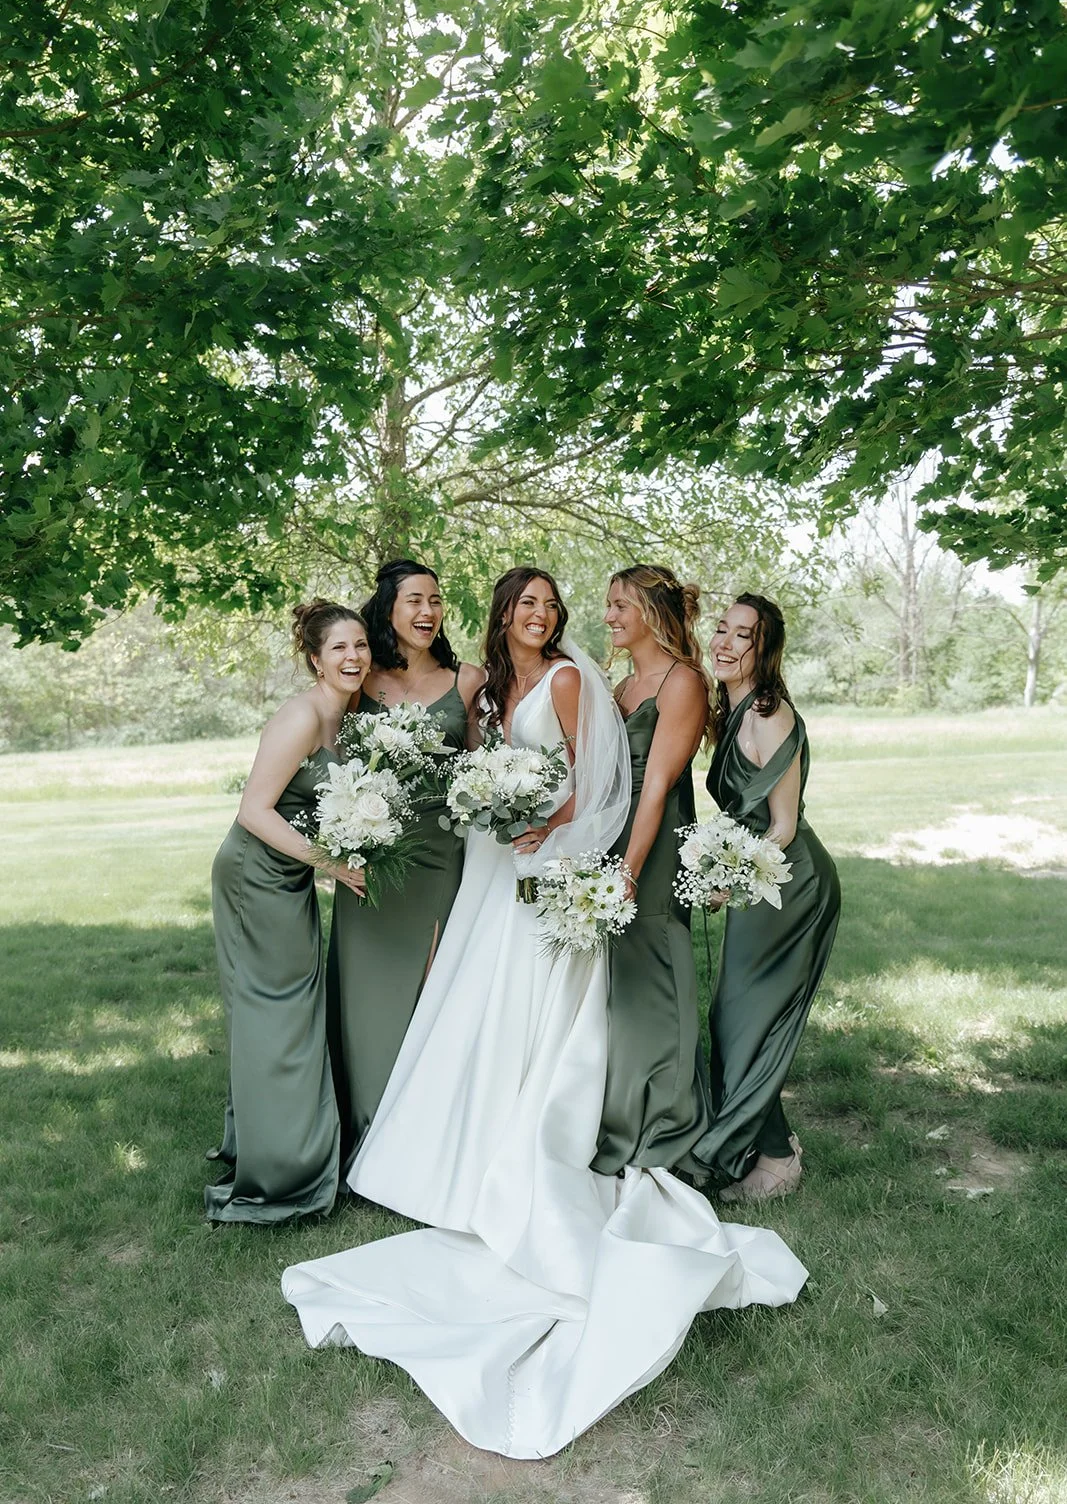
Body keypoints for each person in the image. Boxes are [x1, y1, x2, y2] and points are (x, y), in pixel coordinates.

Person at [282, 569, 806, 1459]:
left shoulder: (575, 677)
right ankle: (465, 1136)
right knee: (479, 997)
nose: (558, 616)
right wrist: (497, 801)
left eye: (567, 605)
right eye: (535, 604)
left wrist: (574, 838)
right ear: (503, 616)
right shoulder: (495, 682)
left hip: (567, 855)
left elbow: (604, 782)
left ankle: (625, 1128)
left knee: (579, 997)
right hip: (503, 857)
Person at [206, 600, 369, 1224]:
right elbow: (255, 809)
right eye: (339, 649)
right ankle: (280, 1170)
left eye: (360, 646)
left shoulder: (346, 715)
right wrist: (334, 865)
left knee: (294, 1011)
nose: (353, 657)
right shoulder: (302, 715)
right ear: (315, 658)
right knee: (273, 1015)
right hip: (254, 875)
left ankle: (278, 1143)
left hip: (292, 875)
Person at [326, 559, 484, 1166]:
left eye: (437, 601)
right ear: (388, 608)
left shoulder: (467, 678)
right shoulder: (359, 679)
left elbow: (478, 765)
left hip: (439, 856)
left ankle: (422, 1139)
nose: (427, 612)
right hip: (369, 857)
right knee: (368, 998)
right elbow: (327, 758)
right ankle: (364, 1132)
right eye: (414, 600)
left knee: (431, 990)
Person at [695, 593, 841, 1202]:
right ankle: (764, 1147)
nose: (726, 644)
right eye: (722, 631)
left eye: (742, 636)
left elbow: (781, 823)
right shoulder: (729, 709)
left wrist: (730, 871)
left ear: (765, 648)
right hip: (762, 878)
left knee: (742, 1024)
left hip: (789, 881)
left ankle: (777, 1161)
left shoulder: (769, 711)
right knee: (736, 1023)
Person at [593, 564, 714, 1175]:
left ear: (651, 612)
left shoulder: (682, 682)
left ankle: (669, 1125)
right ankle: (625, 1112)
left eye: (620, 605)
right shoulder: (621, 688)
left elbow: (660, 784)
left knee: (659, 969)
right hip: (616, 830)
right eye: (609, 605)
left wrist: (630, 870)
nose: (610, 616)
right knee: (623, 984)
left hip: (656, 840)